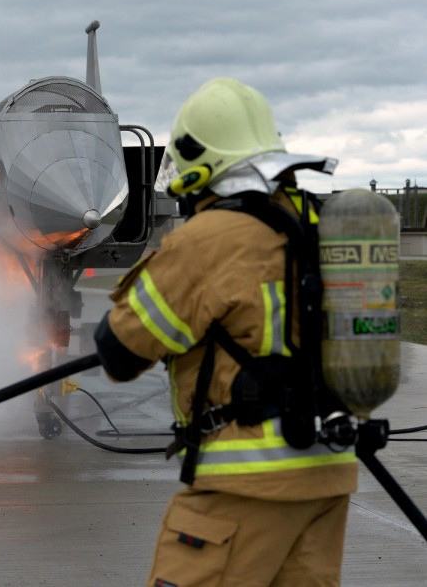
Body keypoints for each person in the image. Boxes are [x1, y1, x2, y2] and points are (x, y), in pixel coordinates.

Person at [93, 78, 357, 586]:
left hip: (249, 477)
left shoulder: (206, 240)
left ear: (199, 159)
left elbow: (120, 351)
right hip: (327, 473)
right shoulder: (308, 224)